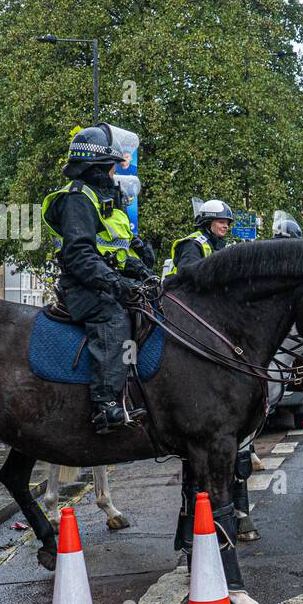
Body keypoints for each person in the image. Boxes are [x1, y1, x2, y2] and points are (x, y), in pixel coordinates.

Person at [41, 124, 157, 433]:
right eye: (109, 168)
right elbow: (80, 255)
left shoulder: (103, 200)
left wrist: (142, 272)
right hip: (83, 287)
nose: (112, 174)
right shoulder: (78, 199)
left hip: (101, 280)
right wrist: (118, 285)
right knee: (112, 319)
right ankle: (105, 406)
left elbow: (115, 250)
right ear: (95, 167)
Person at [162, 199, 234, 281]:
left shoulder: (217, 245)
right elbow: (188, 279)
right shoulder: (193, 244)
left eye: (227, 223)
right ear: (208, 222)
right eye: (221, 222)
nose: (226, 226)